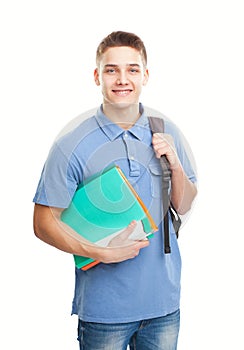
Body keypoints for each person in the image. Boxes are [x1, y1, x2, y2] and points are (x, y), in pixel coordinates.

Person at [33, 31, 197, 350]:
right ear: (97, 76)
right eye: (112, 70)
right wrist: (100, 252)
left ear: (145, 75)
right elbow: (42, 223)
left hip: (164, 304)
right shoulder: (72, 145)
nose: (122, 79)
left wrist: (175, 164)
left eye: (132, 69)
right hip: (104, 312)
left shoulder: (166, 130)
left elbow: (185, 202)